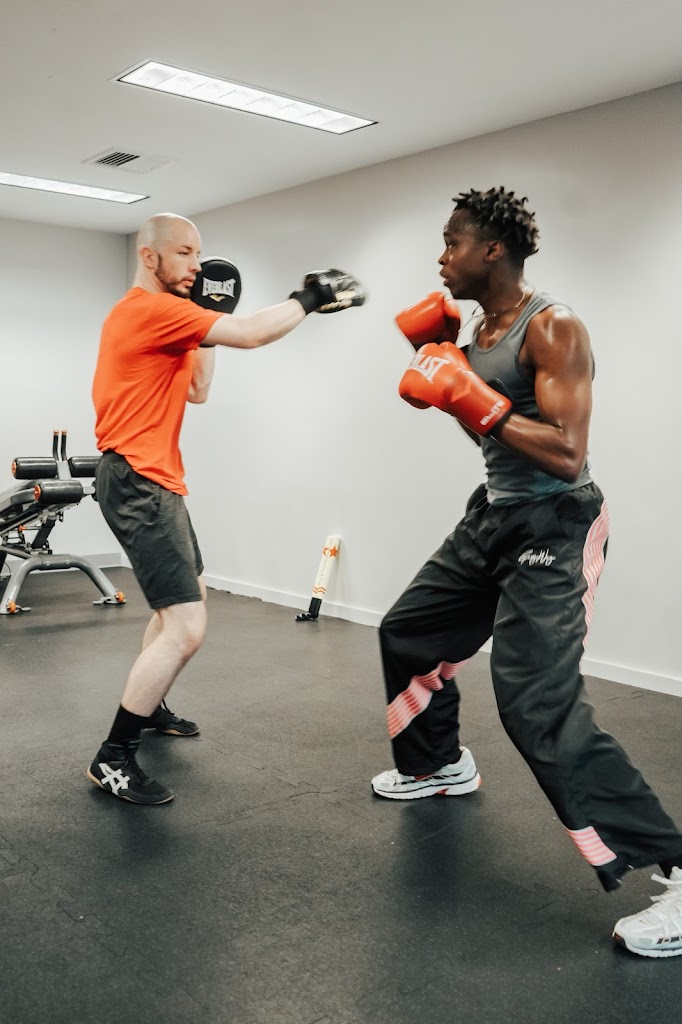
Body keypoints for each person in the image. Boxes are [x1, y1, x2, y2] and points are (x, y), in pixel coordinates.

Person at [371, 186, 682, 958]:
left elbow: (567, 452)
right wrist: (454, 384)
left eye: (452, 243)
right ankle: (438, 765)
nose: (441, 258)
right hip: (495, 514)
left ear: (492, 250)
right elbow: (494, 435)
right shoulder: (477, 331)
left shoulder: (553, 325)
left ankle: (674, 865)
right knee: (408, 631)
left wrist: (469, 396)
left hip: (558, 520)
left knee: (536, 704)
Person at [88, 212, 364, 806]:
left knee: (186, 601)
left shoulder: (168, 317)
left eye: (198, 253)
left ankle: (149, 705)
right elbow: (255, 333)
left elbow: (198, 390)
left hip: (155, 478)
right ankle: (113, 757)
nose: (194, 263)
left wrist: (205, 324)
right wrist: (309, 297)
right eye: (183, 253)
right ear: (149, 256)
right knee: (187, 628)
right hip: (139, 479)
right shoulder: (148, 309)